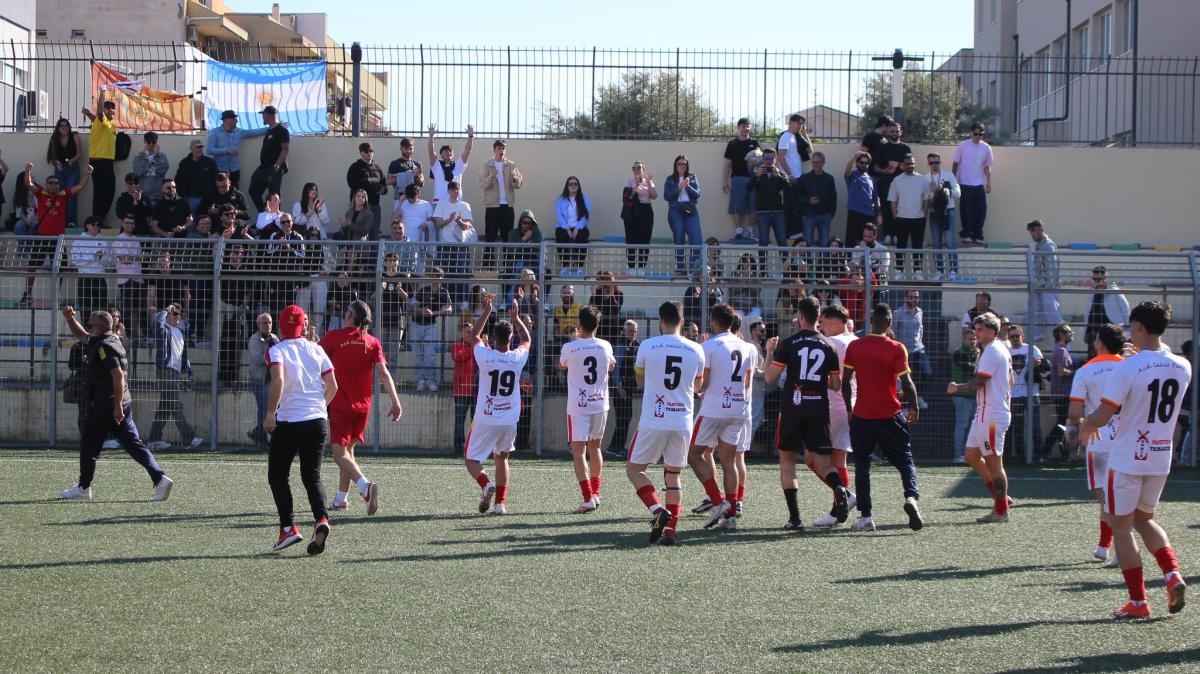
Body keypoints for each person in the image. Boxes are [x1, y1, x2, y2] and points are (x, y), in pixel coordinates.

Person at [1081, 301, 1191, 619]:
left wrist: (1086, 424)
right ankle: (1172, 575)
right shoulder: (1183, 365)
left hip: (1128, 455)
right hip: (1159, 455)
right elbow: (1159, 362)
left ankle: (1139, 603)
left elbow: (1103, 416)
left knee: (1121, 526)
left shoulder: (1126, 367)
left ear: (1139, 327)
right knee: (1145, 520)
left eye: (1131, 326)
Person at [57, 306, 174, 502]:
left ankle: (84, 488)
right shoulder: (107, 338)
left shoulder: (104, 347)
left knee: (89, 443)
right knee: (134, 444)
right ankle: (160, 479)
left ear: (99, 327)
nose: (87, 328)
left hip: (108, 404)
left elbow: (117, 375)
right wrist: (70, 319)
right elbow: (83, 335)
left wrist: (116, 406)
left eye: (90, 325)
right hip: (120, 403)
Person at [764, 296, 848, 529]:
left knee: (787, 462)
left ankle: (795, 519)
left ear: (800, 316)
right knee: (823, 462)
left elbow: (770, 377)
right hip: (818, 408)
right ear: (818, 317)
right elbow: (835, 384)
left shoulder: (789, 343)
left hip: (793, 407)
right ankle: (839, 489)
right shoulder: (829, 345)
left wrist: (770, 351)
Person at [627, 301, 705, 546]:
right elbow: (698, 387)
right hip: (682, 420)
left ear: (660, 321)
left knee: (635, 470)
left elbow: (639, 380)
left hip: (653, 419)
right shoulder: (696, 349)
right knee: (673, 475)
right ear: (683, 322)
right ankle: (670, 532)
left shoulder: (648, 346)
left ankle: (656, 510)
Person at [841, 303, 923, 532]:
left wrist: (849, 408)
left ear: (871, 321)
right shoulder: (897, 348)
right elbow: (907, 383)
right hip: (890, 415)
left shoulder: (856, 346)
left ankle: (866, 517)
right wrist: (914, 407)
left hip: (863, 415)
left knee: (863, 465)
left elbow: (845, 381)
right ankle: (911, 498)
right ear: (889, 323)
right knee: (905, 460)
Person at [263, 305, 338, 554]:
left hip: (289, 421)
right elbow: (333, 385)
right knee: (312, 475)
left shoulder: (276, 350)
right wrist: (318, 407)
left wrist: (270, 413)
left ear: (281, 326)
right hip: (318, 420)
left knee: (278, 475)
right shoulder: (317, 348)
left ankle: (288, 528)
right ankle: (322, 519)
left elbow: (279, 380)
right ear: (303, 325)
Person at [319, 300, 403, 514]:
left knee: (339, 454)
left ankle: (365, 487)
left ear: (349, 315)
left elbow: (315, 357)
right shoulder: (372, 341)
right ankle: (341, 499)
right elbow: (383, 373)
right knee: (348, 452)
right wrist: (395, 401)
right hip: (363, 408)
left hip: (341, 405)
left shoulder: (334, 337)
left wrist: (311, 342)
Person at [688, 303, 757, 529]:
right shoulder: (747, 347)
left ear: (715, 322)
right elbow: (747, 381)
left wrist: (698, 390)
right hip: (738, 408)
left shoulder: (709, 346)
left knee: (693, 454)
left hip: (714, 409)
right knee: (730, 461)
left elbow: (704, 381)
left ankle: (718, 501)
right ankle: (731, 515)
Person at [464, 294, 531, 515]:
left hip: (485, 415)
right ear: (510, 338)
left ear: (492, 337)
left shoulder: (484, 355)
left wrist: (487, 310)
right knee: (502, 458)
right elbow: (527, 339)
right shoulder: (516, 358)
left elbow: (473, 335)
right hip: (509, 418)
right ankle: (500, 504)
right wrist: (517, 317)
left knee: (471, 458)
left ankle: (485, 484)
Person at [1067, 323, 1125, 568]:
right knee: (1118, 496)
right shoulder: (1129, 366)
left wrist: (1074, 427)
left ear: (1099, 343)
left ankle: (1120, 546)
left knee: (1105, 497)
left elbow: (1074, 412)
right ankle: (1104, 546)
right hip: (1127, 437)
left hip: (1098, 438)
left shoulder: (1086, 371)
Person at [947, 312, 1013, 523]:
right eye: (976, 329)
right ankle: (1001, 500)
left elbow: (978, 383)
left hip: (992, 415)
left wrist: (957, 388)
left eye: (980, 329)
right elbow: (1010, 379)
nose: (976, 333)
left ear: (992, 331)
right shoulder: (996, 349)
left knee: (995, 464)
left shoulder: (993, 351)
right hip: (986, 412)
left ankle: (1001, 510)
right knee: (971, 456)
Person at [559, 305, 616, 513]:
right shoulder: (605, 346)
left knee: (578, 452)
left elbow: (562, 365)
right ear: (597, 325)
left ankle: (587, 497)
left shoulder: (569, 347)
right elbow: (612, 365)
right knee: (595, 448)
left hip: (578, 406)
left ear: (579, 325)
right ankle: (596, 493)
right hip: (600, 403)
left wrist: (576, 343)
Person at [20, 163, 94, 307]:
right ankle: (27, 294)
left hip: (58, 238)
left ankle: (57, 296)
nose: (54, 185)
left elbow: (80, 186)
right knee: (32, 265)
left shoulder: (63, 195)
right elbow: (28, 183)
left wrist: (88, 174)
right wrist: (28, 169)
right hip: (42, 236)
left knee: (60, 267)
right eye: (51, 183)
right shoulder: (41, 193)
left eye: (56, 183)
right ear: (46, 184)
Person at [814, 304, 858, 526]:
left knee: (814, 458)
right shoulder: (855, 340)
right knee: (839, 459)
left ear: (836, 322)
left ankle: (844, 497)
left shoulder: (835, 343)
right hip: (849, 404)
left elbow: (828, 379)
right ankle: (839, 506)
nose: (820, 326)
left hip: (834, 405)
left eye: (823, 322)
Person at [144, 303, 203, 450]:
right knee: (175, 405)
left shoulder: (179, 332)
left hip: (174, 372)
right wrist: (165, 310)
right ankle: (189, 437)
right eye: (175, 313)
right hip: (166, 370)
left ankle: (154, 438)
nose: (179, 316)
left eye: (180, 314)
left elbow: (182, 356)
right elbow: (157, 324)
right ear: (169, 314)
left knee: (165, 406)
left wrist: (189, 371)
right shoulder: (164, 329)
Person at [478, 139, 523, 269]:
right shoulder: (487, 165)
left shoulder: (511, 165)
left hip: (507, 206)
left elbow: (519, 184)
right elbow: (482, 184)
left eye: (503, 148)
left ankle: (508, 267)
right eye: (499, 148)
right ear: (494, 150)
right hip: (492, 206)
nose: (501, 151)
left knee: (507, 238)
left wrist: (515, 179)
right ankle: (488, 267)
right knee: (490, 237)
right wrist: (491, 177)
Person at [411, 267, 454, 392]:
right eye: (433, 276)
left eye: (438, 276)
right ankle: (420, 380)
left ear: (442, 278)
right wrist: (422, 311)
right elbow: (414, 306)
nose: (435, 279)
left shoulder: (444, 292)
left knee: (430, 355)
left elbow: (449, 309)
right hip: (416, 324)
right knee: (418, 355)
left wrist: (432, 313)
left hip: (430, 325)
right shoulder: (424, 290)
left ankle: (431, 380)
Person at [886, 154, 929, 280]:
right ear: (903, 165)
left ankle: (918, 271)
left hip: (919, 218)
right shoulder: (897, 180)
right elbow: (893, 201)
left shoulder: (922, 180)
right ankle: (899, 270)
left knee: (918, 246)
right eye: (907, 163)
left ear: (914, 164)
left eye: (911, 163)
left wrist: (924, 216)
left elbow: (926, 200)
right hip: (902, 218)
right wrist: (896, 216)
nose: (910, 165)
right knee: (901, 245)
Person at [1006, 324, 1044, 463]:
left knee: (1035, 425)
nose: (1015, 339)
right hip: (1014, 393)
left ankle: (1038, 455)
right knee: (1017, 426)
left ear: (1022, 336)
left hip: (1031, 392)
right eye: (1012, 336)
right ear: (1009, 338)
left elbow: (1043, 364)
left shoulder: (1031, 348)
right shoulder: (1006, 351)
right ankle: (1021, 456)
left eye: (1017, 336)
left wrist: (1039, 363)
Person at [952, 122, 994, 244]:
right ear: (971, 133)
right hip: (964, 183)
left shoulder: (986, 147)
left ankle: (978, 235)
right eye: (975, 133)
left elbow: (987, 166)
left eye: (980, 134)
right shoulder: (963, 145)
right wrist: (954, 180)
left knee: (981, 210)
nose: (978, 136)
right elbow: (955, 163)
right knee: (966, 210)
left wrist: (989, 183)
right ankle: (967, 234)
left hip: (978, 184)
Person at [747, 148, 789, 271]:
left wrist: (779, 177)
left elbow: (789, 189)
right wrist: (756, 176)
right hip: (762, 214)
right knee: (763, 242)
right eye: (766, 158)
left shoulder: (780, 173)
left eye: (771, 158)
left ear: (775, 159)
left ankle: (787, 270)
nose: (769, 161)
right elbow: (748, 188)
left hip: (778, 213)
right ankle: (762, 271)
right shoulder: (758, 172)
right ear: (763, 159)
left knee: (782, 241)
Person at [872, 121, 912, 246]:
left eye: (897, 131)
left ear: (901, 132)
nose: (894, 133)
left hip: (903, 184)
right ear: (888, 133)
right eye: (892, 131)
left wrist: (898, 165)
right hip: (886, 183)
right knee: (886, 209)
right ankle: (888, 234)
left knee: (900, 210)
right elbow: (875, 167)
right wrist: (885, 170)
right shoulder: (883, 147)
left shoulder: (906, 148)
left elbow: (910, 166)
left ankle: (898, 235)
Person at [80, 93, 118, 223]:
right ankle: (96, 221)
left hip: (108, 162)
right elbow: (100, 115)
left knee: (109, 192)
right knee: (100, 193)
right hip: (98, 162)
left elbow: (95, 118)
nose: (111, 110)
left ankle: (100, 219)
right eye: (108, 107)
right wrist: (102, 93)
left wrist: (87, 113)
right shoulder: (101, 119)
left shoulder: (109, 124)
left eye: (113, 108)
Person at [208, 110, 268, 189]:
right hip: (220, 171)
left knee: (235, 194)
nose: (236, 121)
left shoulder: (239, 132)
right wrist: (226, 150)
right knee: (220, 195)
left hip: (235, 171)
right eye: (234, 119)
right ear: (226, 120)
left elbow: (253, 132)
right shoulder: (215, 132)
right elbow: (209, 150)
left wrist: (273, 127)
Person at [606, 319, 640, 458]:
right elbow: (616, 369)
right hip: (621, 388)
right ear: (624, 331)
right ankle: (615, 447)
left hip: (630, 387)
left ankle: (618, 446)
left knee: (627, 417)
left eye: (635, 331)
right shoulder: (620, 345)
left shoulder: (636, 345)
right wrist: (619, 387)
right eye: (631, 331)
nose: (633, 333)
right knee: (622, 418)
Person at [664, 155, 702, 277]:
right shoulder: (670, 179)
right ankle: (681, 269)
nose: (682, 166)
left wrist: (687, 186)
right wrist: (679, 187)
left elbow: (697, 194)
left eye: (684, 164)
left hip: (690, 209)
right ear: (676, 166)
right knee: (679, 239)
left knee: (695, 241)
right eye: (679, 164)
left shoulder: (692, 177)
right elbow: (667, 196)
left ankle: (693, 270)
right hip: (675, 210)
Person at [776, 113, 813, 239]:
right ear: (790, 122)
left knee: (797, 207)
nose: (800, 125)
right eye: (798, 123)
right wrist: (790, 175)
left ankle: (795, 234)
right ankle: (789, 235)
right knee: (790, 208)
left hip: (798, 176)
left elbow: (810, 151)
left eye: (801, 123)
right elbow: (780, 156)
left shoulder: (796, 137)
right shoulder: (786, 136)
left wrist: (804, 134)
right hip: (790, 178)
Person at [925, 152, 960, 280]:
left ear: (940, 162)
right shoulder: (925, 178)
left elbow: (958, 193)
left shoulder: (948, 175)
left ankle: (953, 272)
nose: (934, 165)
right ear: (928, 164)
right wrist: (932, 193)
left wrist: (945, 190)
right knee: (936, 243)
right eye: (931, 162)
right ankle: (939, 271)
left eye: (937, 162)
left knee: (950, 242)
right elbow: (924, 198)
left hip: (948, 211)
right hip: (934, 212)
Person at [248, 106, 290, 213]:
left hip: (275, 168)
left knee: (274, 197)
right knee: (253, 190)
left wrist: (276, 166)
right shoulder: (268, 130)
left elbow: (285, 149)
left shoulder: (282, 130)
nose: (263, 117)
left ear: (270, 115)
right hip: (264, 167)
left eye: (264, 115)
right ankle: (265, 217)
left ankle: (276, 222)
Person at [722, 117, 759, 239]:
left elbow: (761, 158)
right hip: (737, 178)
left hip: (754, 178)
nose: (746, 128)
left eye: (748, 126)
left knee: (754, 205)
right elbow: (727, 164)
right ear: (738, 128)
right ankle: (739, 231)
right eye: (743, 126)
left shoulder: (755, 143)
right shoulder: (732, 144)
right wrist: (725, 180)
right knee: (737, 205)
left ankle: (750, 231)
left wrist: (755, 161)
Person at [892, 290, 930, 408]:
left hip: (919, 349)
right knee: (904, 379)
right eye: (911, 297)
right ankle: (903, 404)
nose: (913, 299)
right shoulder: (898, 313)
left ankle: (918, 396)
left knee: (928, 374)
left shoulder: (920, 312)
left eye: (916, 297)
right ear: (905, 298)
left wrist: (920, 341)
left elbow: (921, 328)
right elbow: (893, 332)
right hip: (904, 351)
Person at [1084, 265, 1131, 358]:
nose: (1098, 282)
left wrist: (1128, 331)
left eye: (1100, 279)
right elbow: (1089, 314)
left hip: (1112, 333)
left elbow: (1125, 309)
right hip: (1095, 334)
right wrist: (1086, 332)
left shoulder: (1115, 291)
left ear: (1106, 278)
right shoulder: (1093, 293)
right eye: (1095, 279)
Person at [1045, 323, 1076, 461]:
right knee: (1062, 423)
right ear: (1062, 335)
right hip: (1063, 392)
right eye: (1069, 332)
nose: (1072, 334)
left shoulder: (1061, 349)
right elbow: (1062, 372)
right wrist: (1077, 372)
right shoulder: (1061, 350)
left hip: (1062, 392)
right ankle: (1045, 449)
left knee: (1063, 423)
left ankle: (1063, 453)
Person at [247, 313, 278, 448]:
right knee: (264, 410)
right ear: (258, 325)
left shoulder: (274, 338)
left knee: (271, 410)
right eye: (264, 323)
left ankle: (257, 433)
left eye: (270, 322)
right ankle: (262, 439)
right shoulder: (254, 340)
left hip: (272, 381)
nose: (268, 325)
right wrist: (271, 352)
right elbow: (257, 359)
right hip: (260, 380)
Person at [70, 216, 111, 319]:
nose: (96, 227)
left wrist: (101, 258)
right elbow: (75, 261)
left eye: (98, 225)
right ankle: (86, 332)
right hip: (85, 277)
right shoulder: (78, 240)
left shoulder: (103, 241)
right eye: (93, 224)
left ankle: (100, 332)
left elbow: (107, 263)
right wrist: (93, 256)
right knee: (85, 307)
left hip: (100, 276)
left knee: (101, 308)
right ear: (87, 225)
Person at [1027, 219, 1062, 341]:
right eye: (1031, 231)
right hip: (1041, 287)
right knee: (1036, 312)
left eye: (1034, 231)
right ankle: (1037, 339)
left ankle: (1065, 343)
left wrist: (1046, 286)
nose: (1032, 234)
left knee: (1054, 317)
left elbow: (1050, 268)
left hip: (1048, 288)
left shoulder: (1047, 245)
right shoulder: (1040, 245)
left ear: (1041, 230)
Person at [47, 117, 83, 227]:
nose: (64, 128)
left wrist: (70, 161)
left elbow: (79, 155)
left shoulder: (75, 137)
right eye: (61, 125)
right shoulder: (55, 139)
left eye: (66, 125)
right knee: (59, 194)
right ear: (58, 128)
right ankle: (61, 220)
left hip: (72, 168)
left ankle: (71, 222)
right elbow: (51, 156)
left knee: (71, 195)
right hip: (59, 169)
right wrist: (57, 162)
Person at [950, 327, 979, 464]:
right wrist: (979, 358)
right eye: (969, 339)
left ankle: (968, 454)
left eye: (974, 339)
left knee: (973, 427)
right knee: (961, 425)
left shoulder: (975, 353)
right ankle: (958, 454)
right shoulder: (958, 353)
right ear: (963, 340)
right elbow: (971, 369)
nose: (972, 341)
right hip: (961, 395)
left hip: (973, 395)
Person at [621, 161, 656, 272]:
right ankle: (631, 267)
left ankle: (641, 267)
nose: (636, 170)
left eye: (639, 167)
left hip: (646, 211)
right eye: (634, 168)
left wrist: (649, 182)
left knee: (644, 240)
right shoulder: (629, 181)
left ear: (643, 169)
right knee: (631, 239)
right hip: (632, 212)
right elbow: (628, 196)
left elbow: (654, 196)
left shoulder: (648, 181)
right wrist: (636, 184)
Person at [426, 124, 474, 204]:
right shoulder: (436, 165)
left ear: (453, 154)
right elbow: (431, 151)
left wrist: (470, 136)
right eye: (445, 151)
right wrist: (431, 136)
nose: (448, 152)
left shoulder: (459, 165)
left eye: (450, 151)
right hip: (439, 202)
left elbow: (467, 151)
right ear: (440, 154)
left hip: (456, 202)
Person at [797, 151, 837, 247]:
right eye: (813, 162)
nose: (815, 164)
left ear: (823, 163)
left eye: (818, 162)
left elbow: (834, 198)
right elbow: (798, 196)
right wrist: (809, 201)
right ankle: (808, 262)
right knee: (807, 243)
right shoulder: (805, 178)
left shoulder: (829, 179)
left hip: (825, 215)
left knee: (824, 243)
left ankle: (823, 262)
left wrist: (831, 214)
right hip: (809, 216)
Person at [451, 320, 478, 455]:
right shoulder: (457, 346)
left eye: (472, 332)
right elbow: (458, 357)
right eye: (468, 332)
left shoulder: (479, 345)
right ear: (461, 332)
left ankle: (473, 446)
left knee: (476, 421)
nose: (470, 334)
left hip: (477, 390)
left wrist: (481, 344)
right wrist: (474, 347)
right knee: (460, 420)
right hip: (461, 389)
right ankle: (458, 447)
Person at [554, 176, 591, 272]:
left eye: (575, 184)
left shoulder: (584, 198)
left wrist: (577, 228)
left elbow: (585, 216)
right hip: (564, 227)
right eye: (570, 184)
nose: (573, 186)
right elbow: (559, 217)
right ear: (567, 186)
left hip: (579, 227)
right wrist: (567, 229)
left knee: (583, 235)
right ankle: (565, 266)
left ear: (578, 186)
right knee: (560, 234)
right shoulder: (561, 199)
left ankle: (579, 266)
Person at [844, 150, 880, 247]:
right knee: (851, 241)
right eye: (862, 162)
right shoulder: (852, 175)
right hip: (855, 213)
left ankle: (867, 262)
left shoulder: (871, 179)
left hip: (869, 214)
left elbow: (876, 198)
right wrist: (854, 157)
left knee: (867, 242)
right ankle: (849, 261)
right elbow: (847, 171)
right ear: (857, 163)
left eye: (867, 163)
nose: (864, 165)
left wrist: (879, 214)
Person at [345, 142, 387, 222]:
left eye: (371, 151)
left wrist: (379, 189)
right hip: (358, 205)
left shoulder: (378, 168)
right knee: (356, 231)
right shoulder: (355, 167)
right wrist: (368, 180)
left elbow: (385, 188)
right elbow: (351, 183)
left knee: (374, 232)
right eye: (366, 151)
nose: (369, 153)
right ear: (361, 153)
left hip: (374, 205)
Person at [175, 139, 218, 216]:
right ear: (191, 149)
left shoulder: (210, 162)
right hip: (190, 199)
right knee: (191, 223)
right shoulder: (184, 163)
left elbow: (216, 180)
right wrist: (182, 194)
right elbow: (178, 179)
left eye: (200, 147)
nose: (199, 150)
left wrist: (214, 197)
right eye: (196, 147)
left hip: (207, 199)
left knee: (205, 223)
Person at [386, 137, 425, 214]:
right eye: (406, 148)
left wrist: (416, 175)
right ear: (401, 148)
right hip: (399, 198)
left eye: (410, 148)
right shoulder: (395, 163)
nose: (408, 151)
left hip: (414, 199)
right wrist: (409, 175)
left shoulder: (417, 164)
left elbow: (422, 183)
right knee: (398, 223)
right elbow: (388, 180)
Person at [131, 132, 170, 209]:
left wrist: (157, 157)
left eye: (154, 142)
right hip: (143, 195)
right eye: (149, 142)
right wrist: (146, 158)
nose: (151, 144)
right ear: (144, 142)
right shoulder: (139, 156)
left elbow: (162, 171)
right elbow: (137, 173)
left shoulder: (162, 156)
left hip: (159, 195)